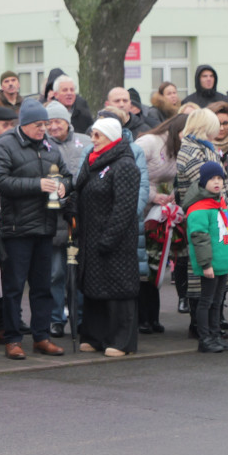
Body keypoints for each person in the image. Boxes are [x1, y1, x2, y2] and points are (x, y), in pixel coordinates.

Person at [0, 98, 71, 360]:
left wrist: (64, 186)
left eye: (45, 124)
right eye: (37, 124)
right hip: (16, 228)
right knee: (13, 287)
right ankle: (12, 339)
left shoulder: (50, 146)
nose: (43, 129)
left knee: (42, 286)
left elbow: (66, 174)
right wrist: (37, 185)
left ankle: (41, 337)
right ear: (23, 124)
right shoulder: (6, 144)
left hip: (45, 226)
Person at [73, 118, 142, 357]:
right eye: (92, 134)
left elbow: (124, 208)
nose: (92, 140)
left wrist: (109, 238)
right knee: (95, 288)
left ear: (111, 138)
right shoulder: (94, 162)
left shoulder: (124, 165)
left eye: (98, 136)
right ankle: (95, 336)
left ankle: (121, 341)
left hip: (115, 240)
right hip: (91, 238)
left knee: (118, 290)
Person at [136, 113, 189, 330]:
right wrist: (151, 196)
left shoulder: (179, 149)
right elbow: (134, 174)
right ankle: (141, 319)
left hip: (158, 213)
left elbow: (168, 181)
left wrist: (170, 195)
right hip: (141, 210)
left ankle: (153, 318)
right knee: (143, 266)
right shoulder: (149, 142)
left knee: (156, 263)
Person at [44, 101, 90, 337]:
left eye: (58, 121)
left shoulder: (85, 142)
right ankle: (56, 319)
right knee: (55, 273)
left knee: (78, 273)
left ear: (67, 122)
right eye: (49, 122)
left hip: (78, 219)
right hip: (53, 219)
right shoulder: (40, 145)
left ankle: (80, 318)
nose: (53, 127)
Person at [183, 162, 228, 353]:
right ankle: (205, 339)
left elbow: (226, 234)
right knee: (206, 301)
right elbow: (199, 238)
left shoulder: (220, 203)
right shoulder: (199, 208)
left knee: (218, 300)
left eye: (220, 178)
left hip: (222, 262)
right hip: (210, 263)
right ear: (204, 181)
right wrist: (206, 264)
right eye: (212, 179)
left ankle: (215, 336)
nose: (217, 182)